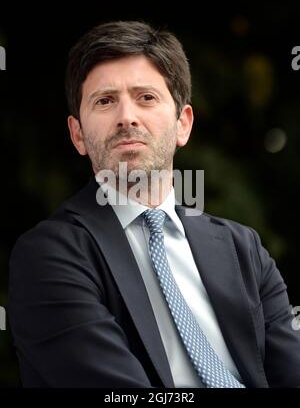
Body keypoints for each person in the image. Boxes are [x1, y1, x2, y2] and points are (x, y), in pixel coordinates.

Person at [8, 20, 300, 388]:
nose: (127, 117)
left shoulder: (244, 249)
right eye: (105, 101)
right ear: (77, 134)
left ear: (183, 124)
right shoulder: (49, 256)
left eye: (146, 97)